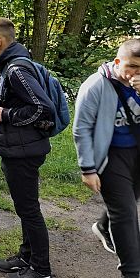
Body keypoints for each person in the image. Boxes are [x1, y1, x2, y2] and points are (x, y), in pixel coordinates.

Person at [0, 18, 54, 278]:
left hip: (24, 151)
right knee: (25, 207)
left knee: (29, 210)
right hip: (19, 149)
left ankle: (41, 268)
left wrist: (7, 114)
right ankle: (27, 256)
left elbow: (42, 107)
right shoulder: (11, 66)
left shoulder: (15, 70)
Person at [73, 38, 140, 278]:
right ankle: (132, 271)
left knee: (129, 201)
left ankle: (102, 226)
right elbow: (81, 128)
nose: (135, 73)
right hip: (110, 156)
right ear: (117, 61)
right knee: (126, 214)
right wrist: (87, 168)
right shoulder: (97, 85)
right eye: (131, 66)